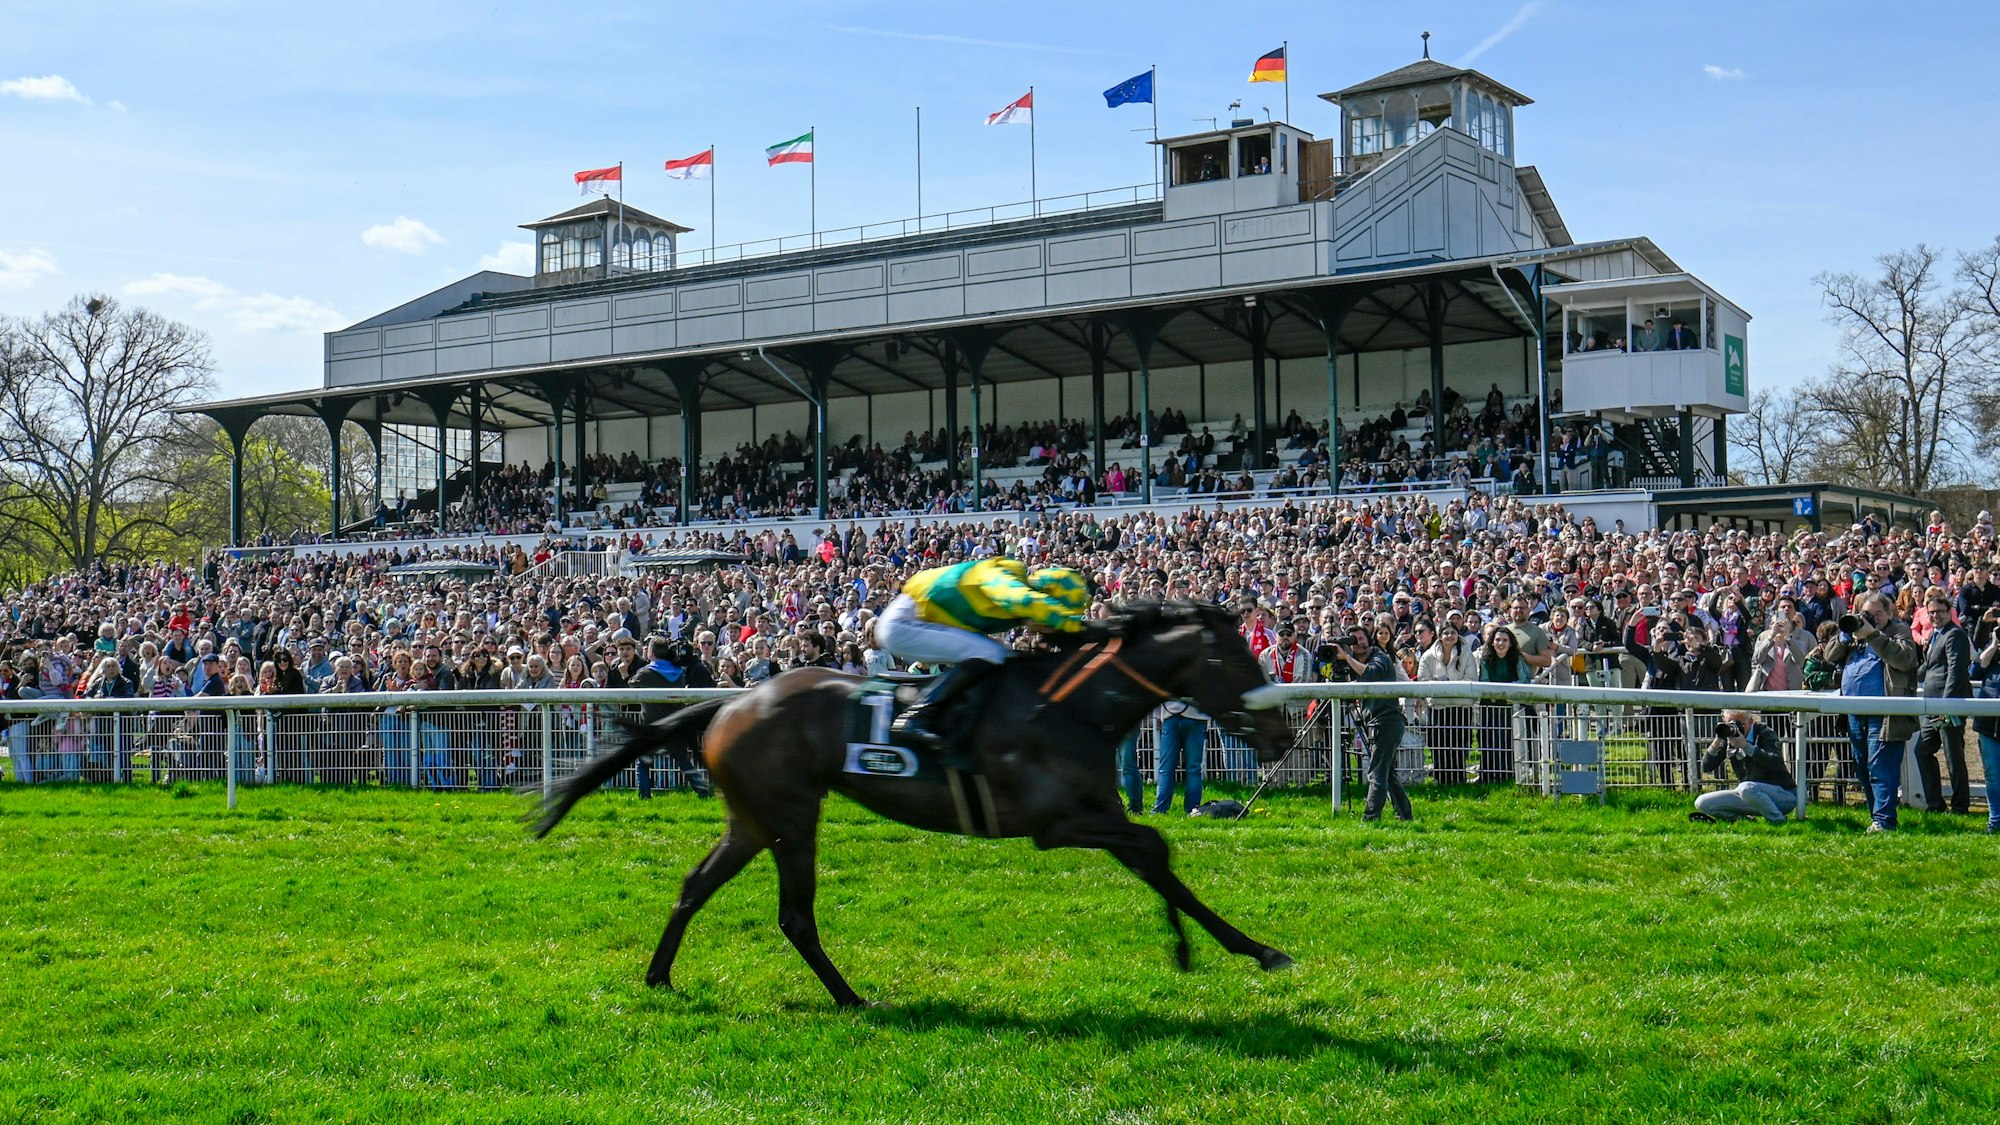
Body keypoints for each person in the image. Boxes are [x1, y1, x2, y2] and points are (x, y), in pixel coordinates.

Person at [876, 558, 1089, 754]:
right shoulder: (1004, 577)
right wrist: (1074, 623)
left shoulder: (1015, 587)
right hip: (901, 624)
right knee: (991, 653)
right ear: (1045, 594)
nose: (1046, 629)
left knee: (1003, 655)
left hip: (914, 620)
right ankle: (916, 716)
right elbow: (1024, 600)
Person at [1825, 593, 1921, 833]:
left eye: (1879, 613)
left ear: (1889, 613)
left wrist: (1872, 634)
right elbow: (1829, 656)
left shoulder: (1898, 631)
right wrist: (1846, 633)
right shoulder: (1855, 634)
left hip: (1885, 712)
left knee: (1880, 767)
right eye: (1868, 613)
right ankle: (1876, 818)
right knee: (1863, 768)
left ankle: (1884, 822)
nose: (1873, 618)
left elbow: (1905, 660)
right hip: (1854, 712)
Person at [1329, 626, 1411, 821]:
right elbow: (1354, 687)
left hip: (1387, 721)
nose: (1359, 642)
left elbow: (1371, 674)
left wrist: (1346, 658)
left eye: (1361, 638)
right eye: (1353, 640)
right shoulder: (1359, 661)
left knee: (1376, 773)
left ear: (1369, 640)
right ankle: (1405, 815)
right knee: (1387, 774)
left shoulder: (1379, 657)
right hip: (1379, 722)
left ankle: (1370, 818)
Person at [1910, 589, 1972, 814]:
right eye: (1931, 612)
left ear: (1949, 612)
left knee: (1953, 756)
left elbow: (1956, 671)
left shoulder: (1955, 635)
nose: (1935, 616)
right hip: (1933, 706)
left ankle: (1960, 806)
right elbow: (1927, 668)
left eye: (1940, 612)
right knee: (1923, 750)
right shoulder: (1936, 635)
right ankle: (1935, 804)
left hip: (1947, 706)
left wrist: (1947, 706)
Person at [1688, 709, 1798, 825]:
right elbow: (1706, 767)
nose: (1735, 727)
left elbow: (1775, 761)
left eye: (1739, 724)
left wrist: (1746, 747)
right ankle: (1744, 820)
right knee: (1702, 803)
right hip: (1749, 795)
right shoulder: (1729, 737)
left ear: (1751, 721)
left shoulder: (1765, 733)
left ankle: (1778, 820)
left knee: (1745, 788)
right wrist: (1716, 744)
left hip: (1783, 795)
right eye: (1730, 723)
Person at [1149, 699, 1209, 815]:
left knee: (1166, 769)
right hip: (1197, 715)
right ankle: (1192, 809)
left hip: (1171, 714)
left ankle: (1160, 809)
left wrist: (1160, 715)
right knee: (1194, 769)